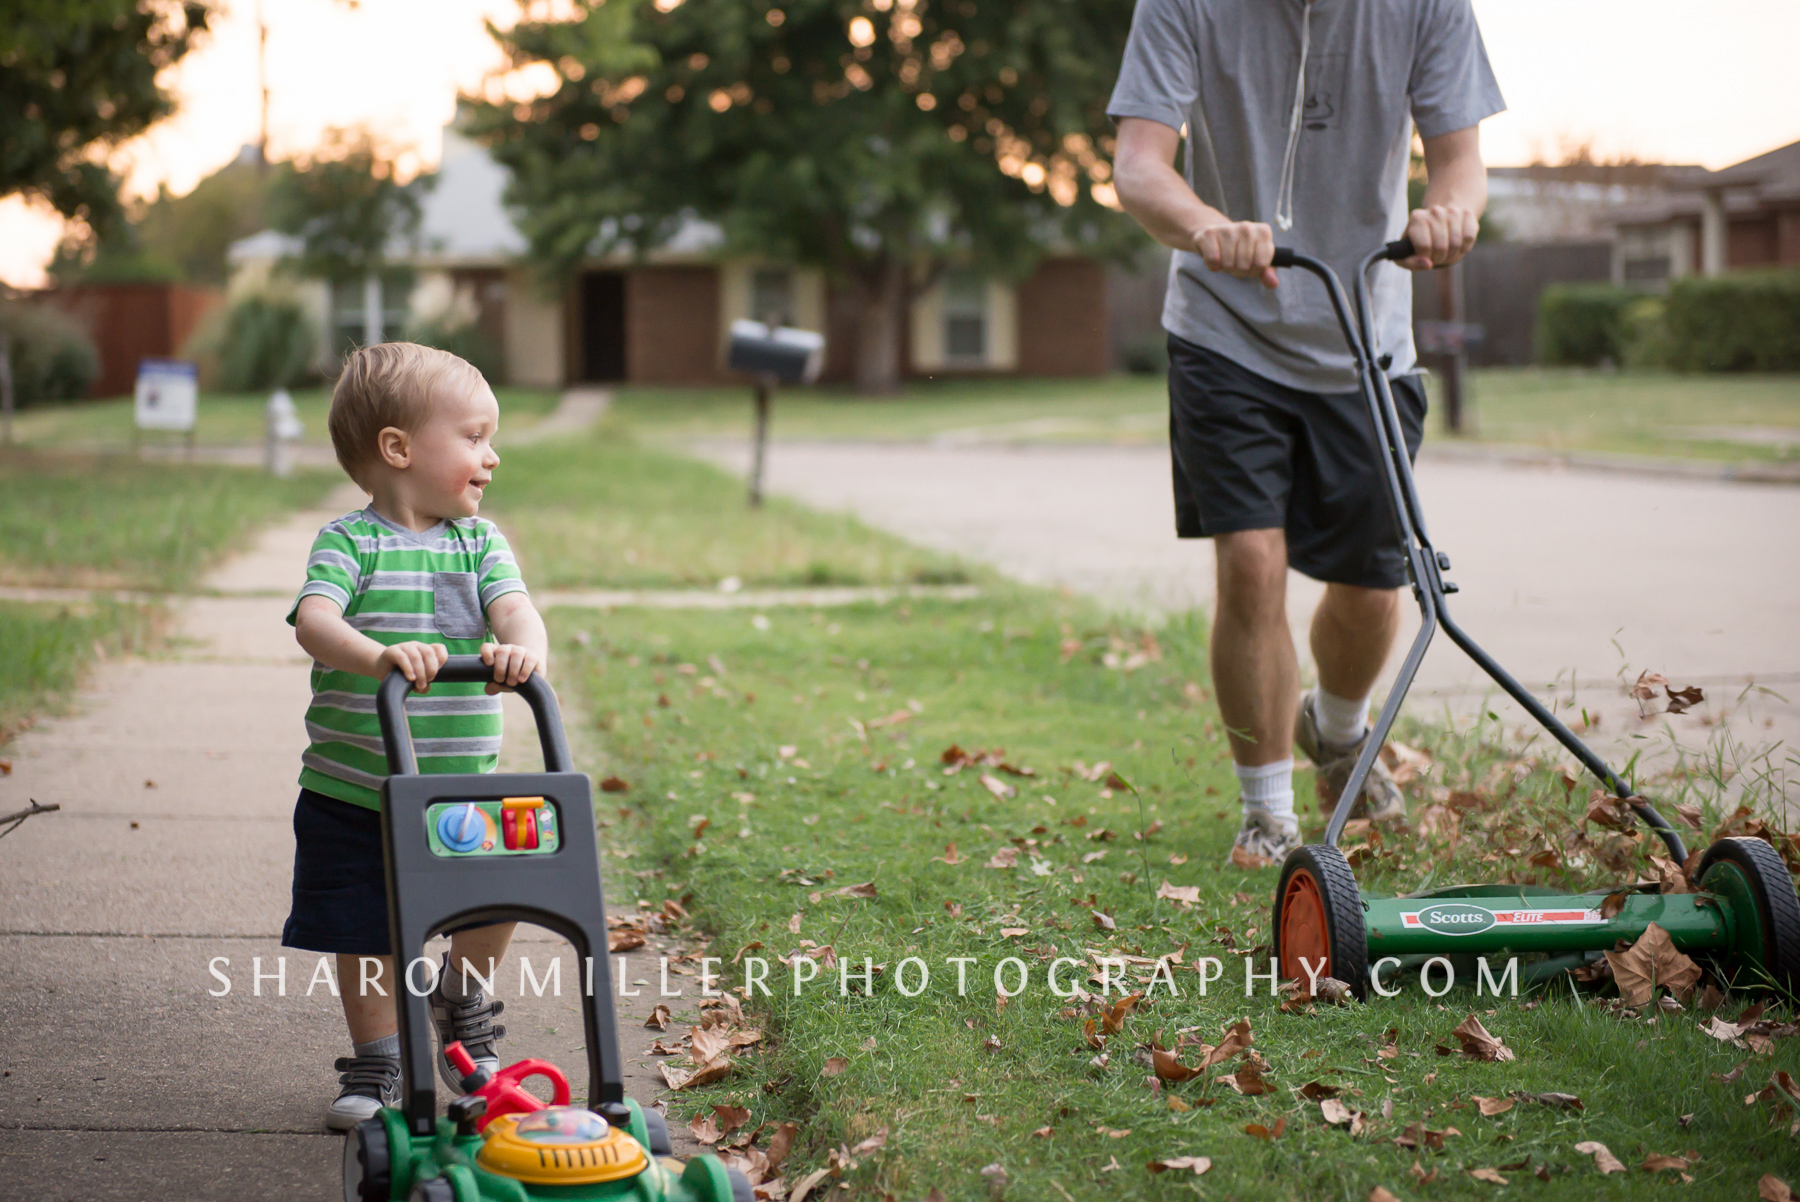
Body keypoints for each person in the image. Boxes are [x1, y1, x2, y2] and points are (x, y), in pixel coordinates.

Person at [1106, 0, 1503, 865]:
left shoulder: (1426, 7)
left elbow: (1462, 162)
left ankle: (1339, 729)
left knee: (1372, 588)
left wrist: (1449, 212)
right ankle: (1267, 811)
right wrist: (1205, 225)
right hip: (1226, 327)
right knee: (1251, 562)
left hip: (1366, 336)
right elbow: (1139, 167)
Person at [284, 342, 549, 1130]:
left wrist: (521, 649)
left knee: (496, 890)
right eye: (473, 437)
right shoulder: (349, 543)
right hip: (352, 790)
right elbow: (314, 620)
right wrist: (379, 656)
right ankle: (378, 1061)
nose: (491, 456)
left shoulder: (480, 543)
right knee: (365, 929)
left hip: (457, 788)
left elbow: (516, 609)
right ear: (398, 449)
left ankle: (462, 1001)